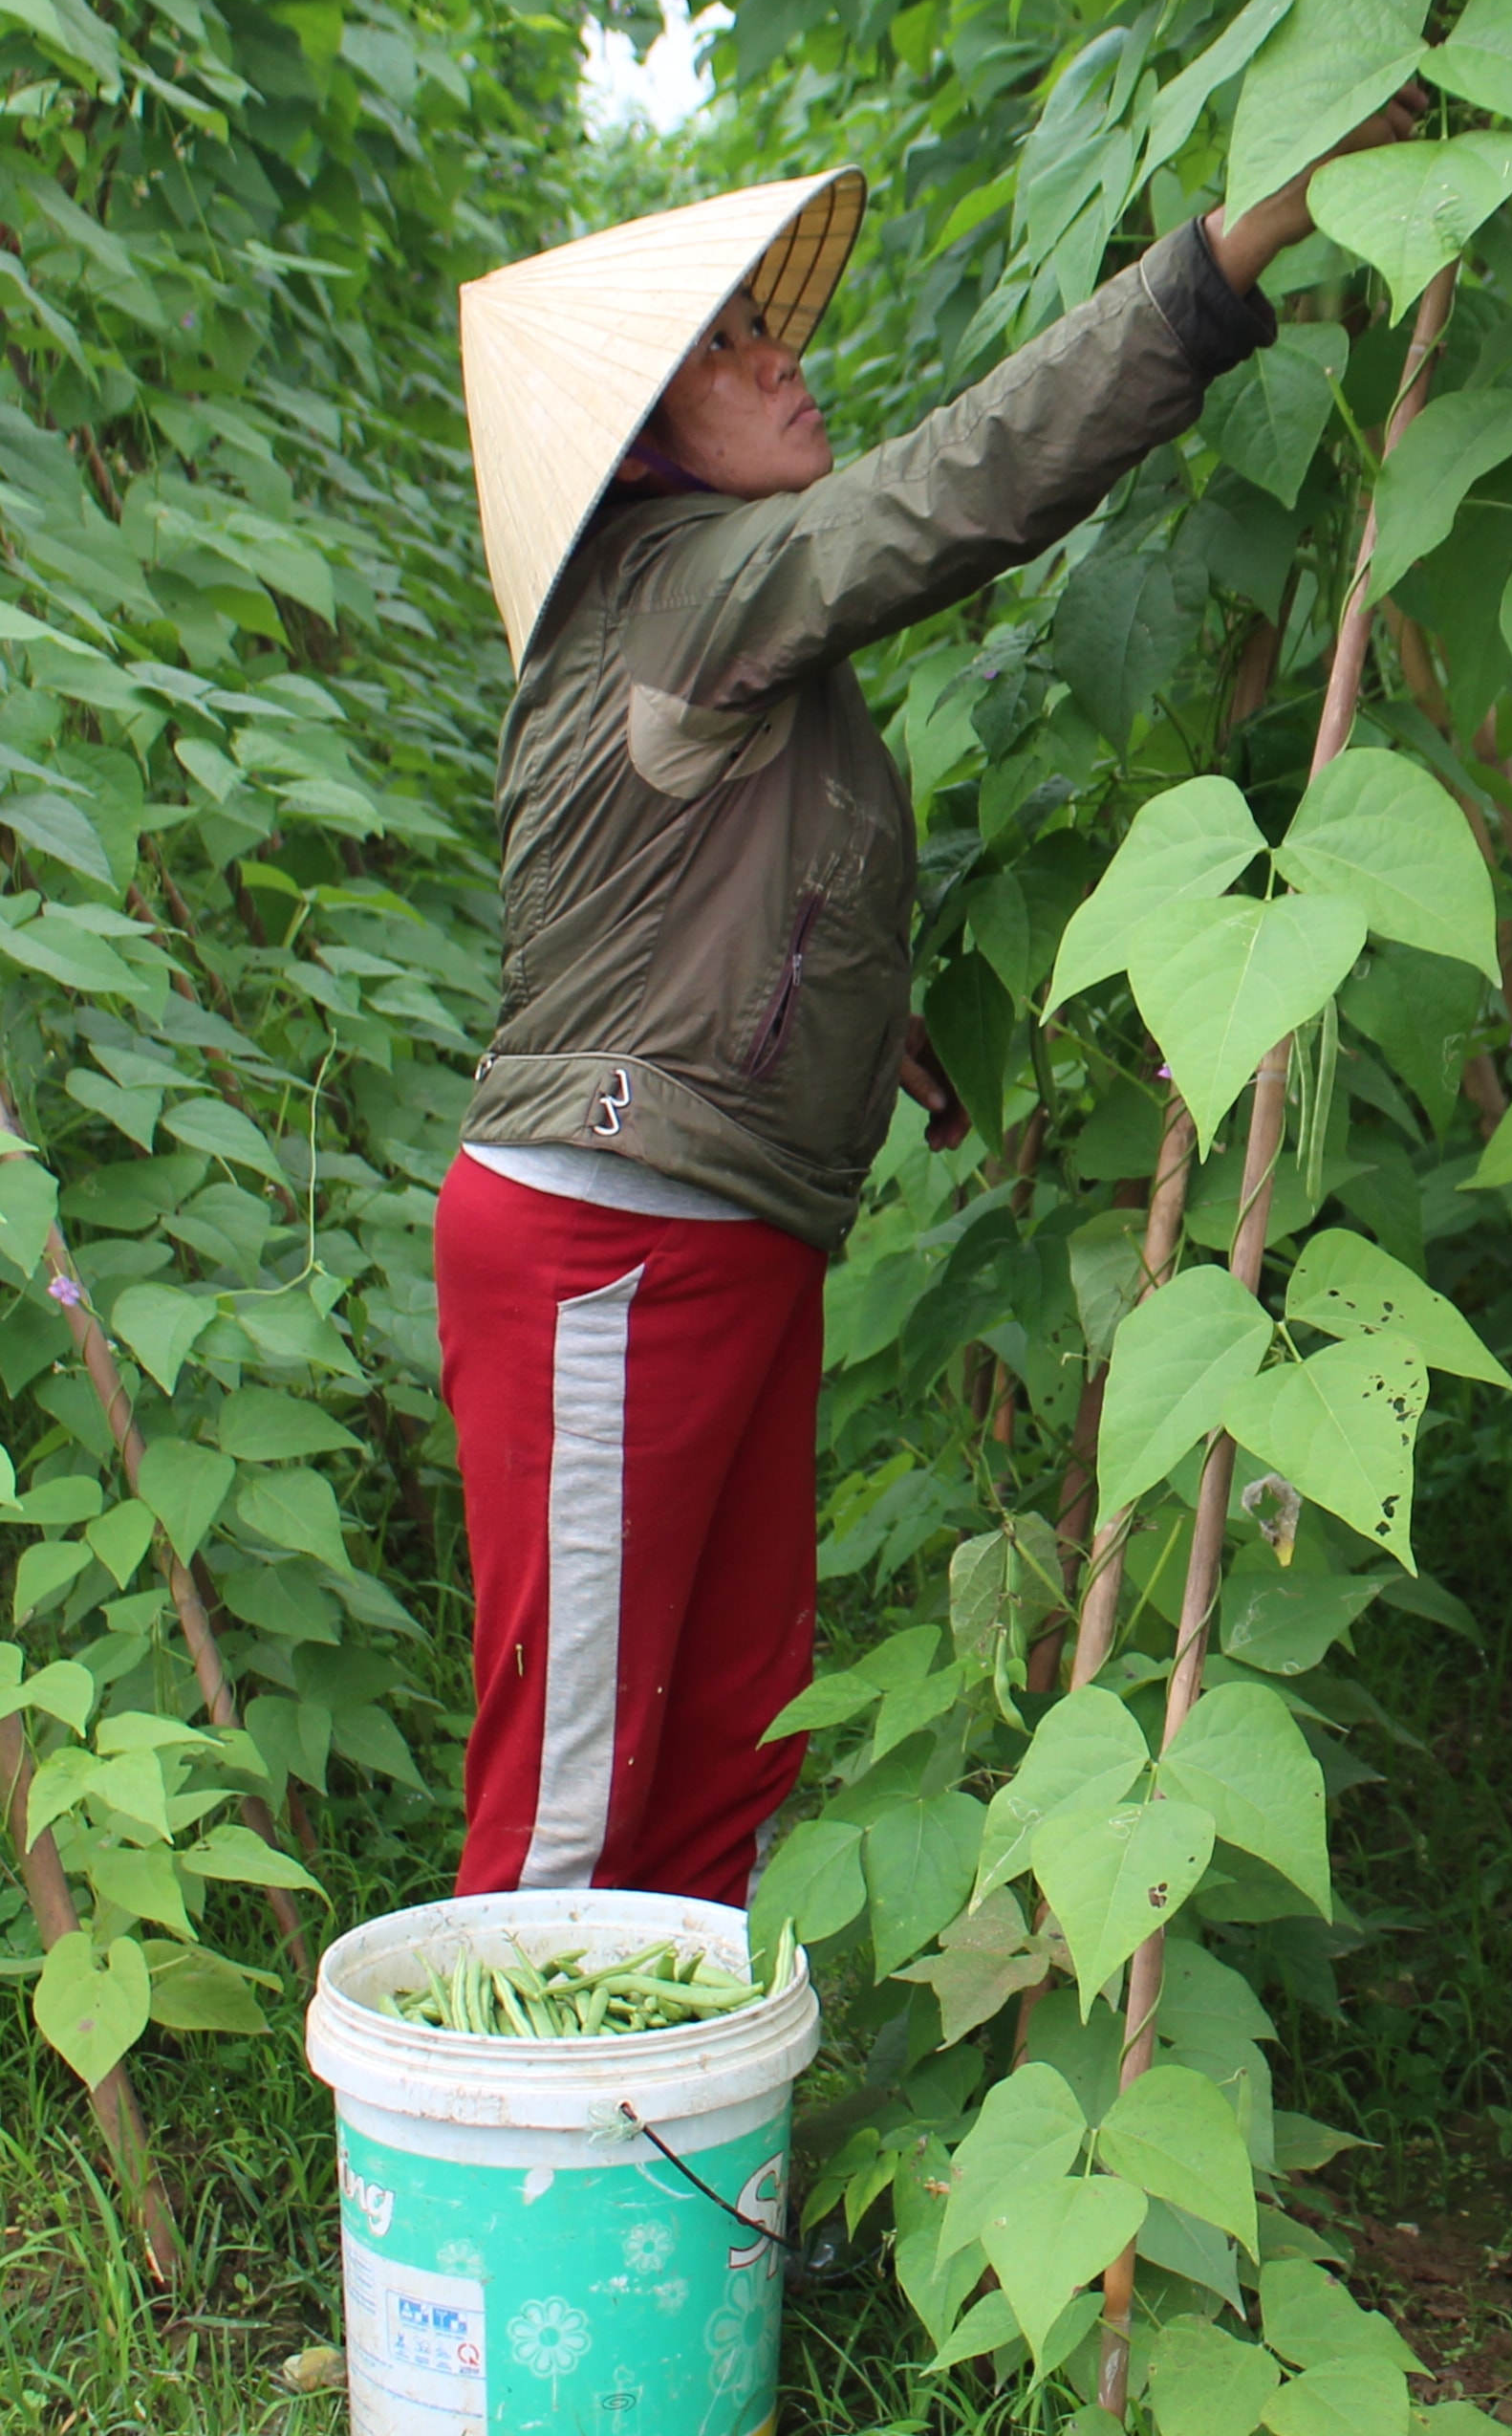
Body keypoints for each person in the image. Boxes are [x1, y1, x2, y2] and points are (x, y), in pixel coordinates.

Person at [442, 122, 1403, 1908]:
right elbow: (954, 488)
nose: (786, 362)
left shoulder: (720, 634)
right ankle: (517, 2172)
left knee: (730, 1750)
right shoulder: (682, 587)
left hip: (727, 1229)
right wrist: (1228, 254)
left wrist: (869, 1032)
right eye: (735, 348)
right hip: (604, 1244)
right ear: (645, 436)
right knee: (575, 1796)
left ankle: (682, 2175)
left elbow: (714, 897)